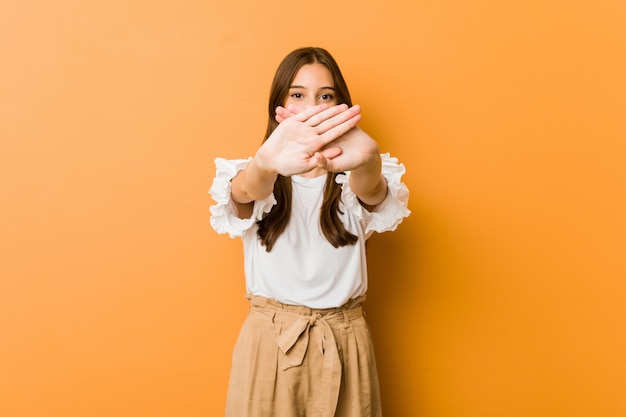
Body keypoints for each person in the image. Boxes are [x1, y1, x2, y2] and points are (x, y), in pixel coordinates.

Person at [209, 46, 410, 417]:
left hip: (345, 339)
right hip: (270, 343)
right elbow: (245, 191)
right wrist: (266, 163)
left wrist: (368, 158)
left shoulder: (355, 180)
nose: (312, 106)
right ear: (280, 104)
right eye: (297, 95)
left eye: (325, 96)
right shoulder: (257, 175)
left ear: (341, 105)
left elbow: (373, 193)